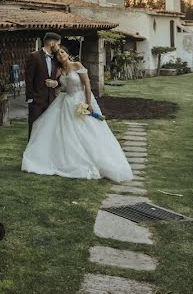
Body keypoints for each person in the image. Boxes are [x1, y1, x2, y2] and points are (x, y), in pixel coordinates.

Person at [21, 46, 133, 182]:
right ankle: (66, 159)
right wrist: (54, 83)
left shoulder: (77, 65)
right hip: (67, 102)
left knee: (88, 130)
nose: (60, 55)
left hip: (81, 99)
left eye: (62, 52)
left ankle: (98, 160)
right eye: (57, 54)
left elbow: (87, 84)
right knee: (62, 131)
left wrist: (88, 103)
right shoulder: (59, 71)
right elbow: (62, 87)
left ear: (67, 53)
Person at [24, 32, 63, 138]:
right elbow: (29, 78)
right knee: (34, 128)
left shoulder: (56, 58)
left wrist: (55, 83)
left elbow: (61, 79)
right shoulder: (34, 56)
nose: (59, 48)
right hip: (36, 100)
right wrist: (30, 98)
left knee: (49, 129)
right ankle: (31, 152)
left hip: (51, 100)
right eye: (58, 44)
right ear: (52, 43)